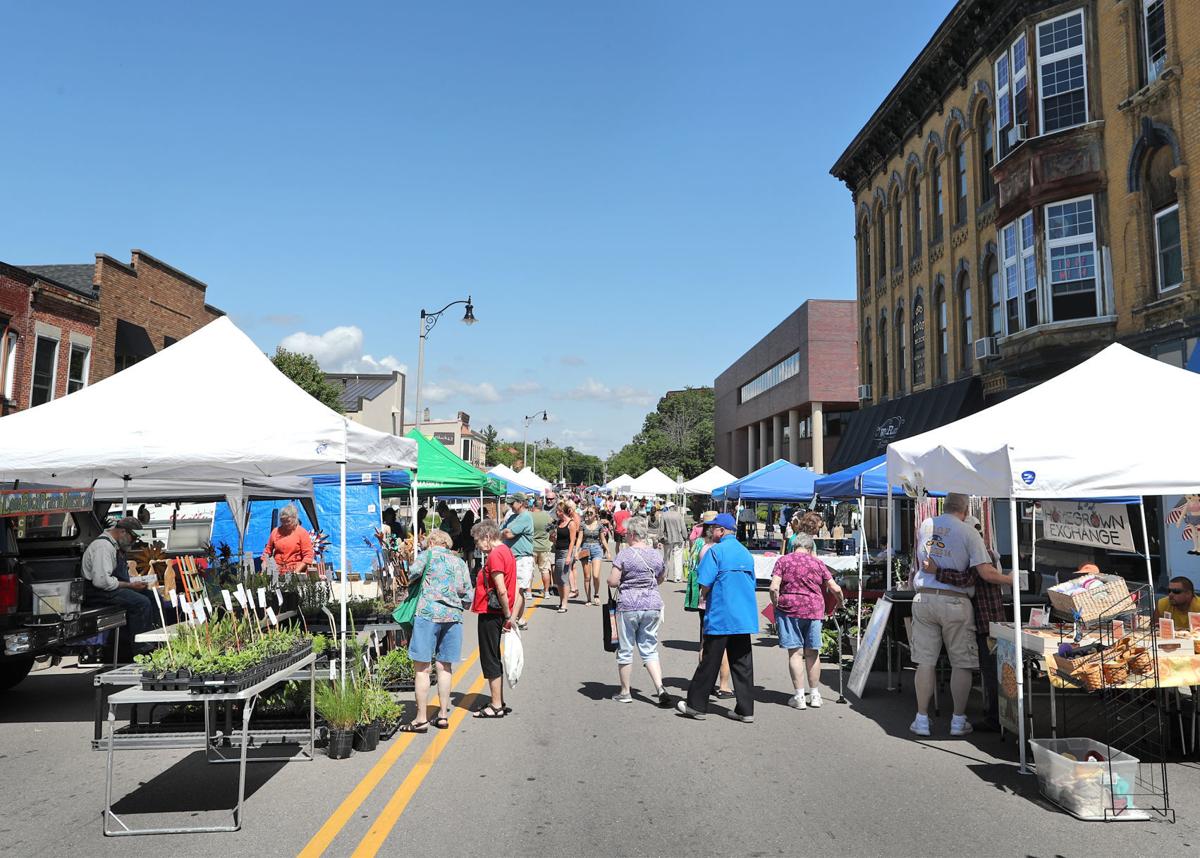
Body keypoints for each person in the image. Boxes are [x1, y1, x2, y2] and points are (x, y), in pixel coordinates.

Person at [909, 493, 1000, 738]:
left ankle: (921, 719)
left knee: (925, 661)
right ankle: (958, 720)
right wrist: (1011, 579)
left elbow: (917, 562)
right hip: (956, 600)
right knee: (961, 662)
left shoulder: (926, 526)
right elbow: (985, 571)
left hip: (925, 596)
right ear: (965, 510)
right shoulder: (969, 532)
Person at [924, 514, 1012, 732]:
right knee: (988, 669)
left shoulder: (978, 555)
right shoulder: (983, 552)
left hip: (985, 618)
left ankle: (995, 718)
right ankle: (994, 716)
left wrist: (937, 571)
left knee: (989, 670)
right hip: (988, 616)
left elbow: (968, 579)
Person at [677, 513, 757, 722]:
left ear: (722, 530)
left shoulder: (716, 551)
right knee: (742, 663)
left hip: (721, 615)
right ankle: (745, 710)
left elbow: (704, 583)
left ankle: (696, 706)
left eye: (713, 528)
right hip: (743, 616)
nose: (711, 531)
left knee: (710, 661)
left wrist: (704, 596)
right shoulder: (746, 553)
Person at [399, 529, 472, 733]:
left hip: (428, 614)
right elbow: (468, 594)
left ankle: (421, 718)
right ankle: (442, 715)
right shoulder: (459, 562)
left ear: (431, 542)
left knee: (422, 667)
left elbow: (412, 574)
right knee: (445, 666)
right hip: (453, 617)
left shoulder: (427, 556)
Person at [769, 532, 843, 710]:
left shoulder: (784, 561)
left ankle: (799, 696)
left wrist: (775, 602)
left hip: (789, 610)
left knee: (795, 653)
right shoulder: (817, 563)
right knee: (812, 652)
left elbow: (773, 587)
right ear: (810, 548)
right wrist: (840, 602)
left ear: (794, 546)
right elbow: (835, 587)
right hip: (813, 610)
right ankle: (815, 695)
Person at [608, 516, 672, 706]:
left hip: (628, 605)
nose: (625, 536)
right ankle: (660, 687)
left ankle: (626, 691)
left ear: (633, 534)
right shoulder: (655, 555)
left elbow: (612, 581)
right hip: (652, 604)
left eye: (627, 533)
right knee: (650, 648)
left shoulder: (624, 555)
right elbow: (661, 577)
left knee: (626, 648)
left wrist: (620, 582)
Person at [81, 517, 159, 650]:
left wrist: (133, 583)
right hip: (98, 593)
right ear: (123, 532)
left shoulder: (114, 546)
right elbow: (102, 582)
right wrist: (130, 585)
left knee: (153, 597)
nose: (134, 542)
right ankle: (142, 649)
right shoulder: (103, 547)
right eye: (133, 538)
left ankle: (155, 640)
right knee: (141, 603)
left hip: (109, 589)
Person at [470, 519, 515, 719]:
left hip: (492, 612)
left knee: (490, 658)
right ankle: (498, 700)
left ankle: (496, 704)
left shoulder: (495, 555)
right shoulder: (505, 551)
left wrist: (508, 616)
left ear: (487, 537)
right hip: (497, 612)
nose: (477, 546)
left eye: (478, 541)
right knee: (494, 657)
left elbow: (501, 589)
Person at [500, 494, 535, 630]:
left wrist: (505, 532)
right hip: (512, 557)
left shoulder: (525, 517)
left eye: (512, 503)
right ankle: (520, 619)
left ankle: (511, 621)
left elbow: (508, 534)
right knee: (516, 589)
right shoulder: (512, 517)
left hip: (522, 558)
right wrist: (505, 531)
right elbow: (502, 531)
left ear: (521, 503)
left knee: (518, 589)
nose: (510, 506)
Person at [262, 504, 314, 575]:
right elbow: (267, 552)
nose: (285, 524)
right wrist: (264, 569)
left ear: (294, 519)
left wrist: (296, 572)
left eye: (288, 521)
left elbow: (308, 555)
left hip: (296, 570)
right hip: (277, 571)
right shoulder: (275, 531)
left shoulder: (302, 533)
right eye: (283, 521)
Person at [579, 506, 609, 605]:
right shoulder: (582, 524)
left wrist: (608, 551)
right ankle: (588, 598)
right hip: (585, 549)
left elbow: (603, 539)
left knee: (595, 575)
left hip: (596, 549)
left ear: (595, 514)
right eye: (587, 513)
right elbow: (579, 539)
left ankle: (596, 594)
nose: (588, 515)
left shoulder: (599, 525)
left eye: (591, 513)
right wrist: (576, 551)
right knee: (587, 577)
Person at [552, 501, 578, 613]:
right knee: (558, 579)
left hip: (566, 552)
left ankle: (564, 604)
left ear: (563, 511)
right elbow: (553, 540)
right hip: (557, 551)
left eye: (558, 511)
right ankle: (561, 601)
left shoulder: (571, 523)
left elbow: (572, 541)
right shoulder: (558, 523)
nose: (556, 513)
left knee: (564, 578)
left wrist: (569, 556)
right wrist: (552, 537)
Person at [530, 496, 554, 598]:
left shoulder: (529, 516)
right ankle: (547, 591)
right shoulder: (547, 517)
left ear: (533, 505)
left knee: (530, 570)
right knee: (545, 570)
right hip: (544, 546)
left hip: (531, 546)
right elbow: (553, 531)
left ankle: (528, 592)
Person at [659, 501, 688, 584]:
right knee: (678, 558)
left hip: (667, 539)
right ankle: (677, 577)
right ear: (673, 507)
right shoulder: (678, 515)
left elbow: (661, 528)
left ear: (667, 507)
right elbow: (683, 527)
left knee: (666, 558)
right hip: (678, 539)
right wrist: (685, 537)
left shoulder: (664, 515)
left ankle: (665, 576)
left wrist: (660, 538)